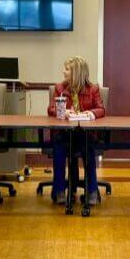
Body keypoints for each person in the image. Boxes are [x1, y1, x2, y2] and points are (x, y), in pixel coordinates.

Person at [47, 57, 105, 205]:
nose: (63, 72)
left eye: (67, 69)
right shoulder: (59, 88)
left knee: (88, 147)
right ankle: (59, 191)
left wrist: (90, 113)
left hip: (85, 134)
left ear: (76, 72)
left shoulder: (93, 89)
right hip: (65, 134)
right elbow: (51, 109)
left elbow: (101, 109)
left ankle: (92, 192)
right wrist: (64, 111)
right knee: (59, 147)